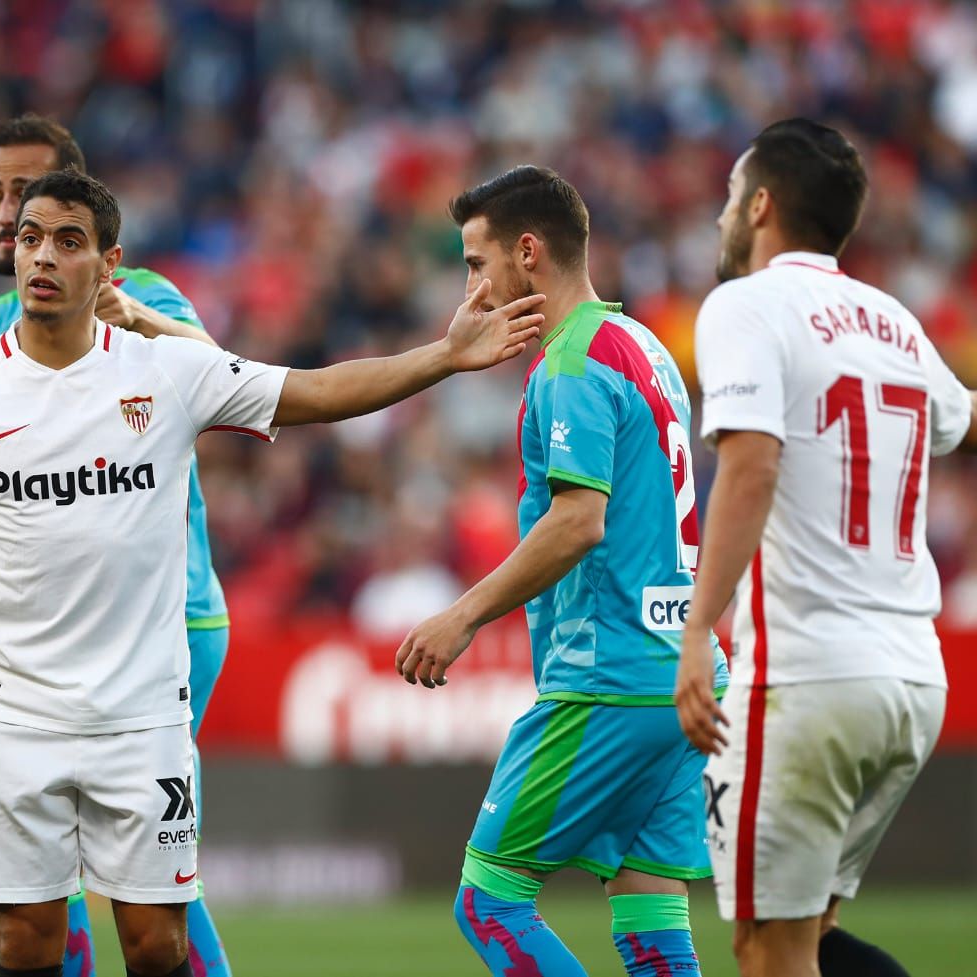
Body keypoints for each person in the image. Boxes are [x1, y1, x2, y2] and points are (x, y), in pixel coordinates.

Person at [0, 168, 543, 977]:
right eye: (30, 239)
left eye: (67, 240)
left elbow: (315, 391)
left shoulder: (165, 370)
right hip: (16, 714)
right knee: (26, 941)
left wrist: (442, 358)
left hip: (144, 716)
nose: (43, 258)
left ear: (109, 263)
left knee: (156, 942)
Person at [396, 165, 725, 977]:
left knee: (489, 899)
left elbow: (580, 521)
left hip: (606, 678)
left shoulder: (571, 363)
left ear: (528, 252)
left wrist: (461, 614)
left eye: (477, 263)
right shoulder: (641, 343)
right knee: (654, 928)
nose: (470, 285)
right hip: (683, 674)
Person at [675, 118, 977, 977]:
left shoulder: (745, 304)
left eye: (733, 196)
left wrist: (701, 631)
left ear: (761, 204)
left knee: (770, 953)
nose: (725, 214)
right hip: (913, 680)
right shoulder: (894, 321)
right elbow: (968, 417)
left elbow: (751, 466)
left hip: (807, 679)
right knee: (812, 938)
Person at [0, 113, 230, 977]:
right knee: (51, 880)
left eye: (28, 192)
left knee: (148, 888)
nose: (10, 214)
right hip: (47, 638)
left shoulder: (139, 288)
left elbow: (221, 371)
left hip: (168, 618)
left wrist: (138, 317)